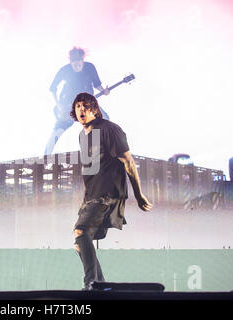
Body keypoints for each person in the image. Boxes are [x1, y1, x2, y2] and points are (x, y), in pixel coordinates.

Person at [71, 92, 152, 290]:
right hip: (92, 198)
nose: (82, 110)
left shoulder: (110, 129)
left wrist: (139, 194)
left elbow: (129, 163)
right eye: (78, 106)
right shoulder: (83, 136)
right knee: (80, 242)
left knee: (81, 231)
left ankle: (91, 283)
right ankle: (99, 285)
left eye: (86, 106)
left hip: (108, 195)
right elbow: (89, 173)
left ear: (95, 110)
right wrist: (84, 202)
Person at [44, 47, 110, 155]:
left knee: (104, 119)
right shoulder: (64, 70)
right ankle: (45, 157)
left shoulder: (90, 67)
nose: (77, 66)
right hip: (68, 106)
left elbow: (97, 84)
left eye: (79, 64)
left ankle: (98, 152)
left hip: (88, 104)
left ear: (82, 61)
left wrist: (104, 91)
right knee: (59, 129)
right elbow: (52, 88)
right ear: (70, 62)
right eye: (74, 64)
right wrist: (59, 105)